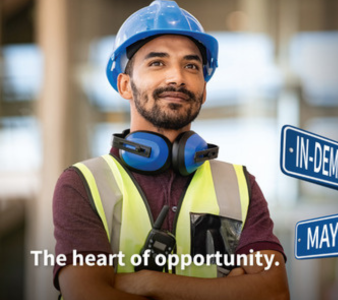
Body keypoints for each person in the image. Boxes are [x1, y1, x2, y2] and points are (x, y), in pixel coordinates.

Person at [52, 1, 289, 299]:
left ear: (203, 89)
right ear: (126, 86)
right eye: (157, 63)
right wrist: (229, 288)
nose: (177, 77)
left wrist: (149, 283)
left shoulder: (241, 186)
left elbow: (274, 292)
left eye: (191, 66)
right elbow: (88, 295)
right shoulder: (83, 183)